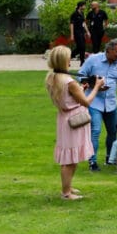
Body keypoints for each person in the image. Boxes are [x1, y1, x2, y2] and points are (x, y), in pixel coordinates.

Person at [45, 44, 96, 200]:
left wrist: (81, 89)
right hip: (75, 120)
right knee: (70, 159)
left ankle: (68, 187)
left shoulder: (53, 78)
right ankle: (66, 193)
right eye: (68, 58)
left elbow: (68, 97)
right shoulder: (69, 81)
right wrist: (97, 87)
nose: (70, 61)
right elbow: (86, 102)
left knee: (69, 155)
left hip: (64, 118)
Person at [79, 38, 117, 169]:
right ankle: (93, 161)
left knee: (113, 132)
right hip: (94, 102)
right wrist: (94, 85)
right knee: (95, 131)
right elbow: (80, 76)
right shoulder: (93, 60)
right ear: (108, 50)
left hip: (111, 104)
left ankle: (110, 158)